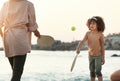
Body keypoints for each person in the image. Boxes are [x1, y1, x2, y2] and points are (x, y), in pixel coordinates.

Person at [0, 0, 40, 81]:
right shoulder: (28, 4)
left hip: (8, 39)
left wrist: (3, 36)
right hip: (20, 39)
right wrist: (37, 33)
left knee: (15, 72)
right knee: (17, 73)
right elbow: (32, 24)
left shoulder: (6, 4)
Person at [76, 16, 105, 81]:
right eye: (91, 23)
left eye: (93, 23)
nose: (91, 25)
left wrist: (103, 57)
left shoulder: (100, 34)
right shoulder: (88, 33)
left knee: (98, 71)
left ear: (98, 25)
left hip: (98, 55)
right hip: (90, 55)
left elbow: (102, 46)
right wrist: (78, 48)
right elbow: (82, 41)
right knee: (92, 72)